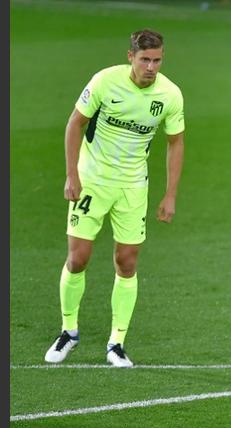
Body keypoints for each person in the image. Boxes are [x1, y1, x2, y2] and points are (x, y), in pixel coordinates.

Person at [44, 29, 185, 367]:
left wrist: (170, 195)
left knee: (127, 261)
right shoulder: (105, 82)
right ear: (130, 57)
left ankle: (116, 343)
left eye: (157, 60)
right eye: (145, 59)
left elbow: (176, 142)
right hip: (93, 180)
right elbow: (75, 124)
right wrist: (72, 175)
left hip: (133, 186)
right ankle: (69, 332)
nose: (151, 67)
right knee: (77, 258)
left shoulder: (170, 95)